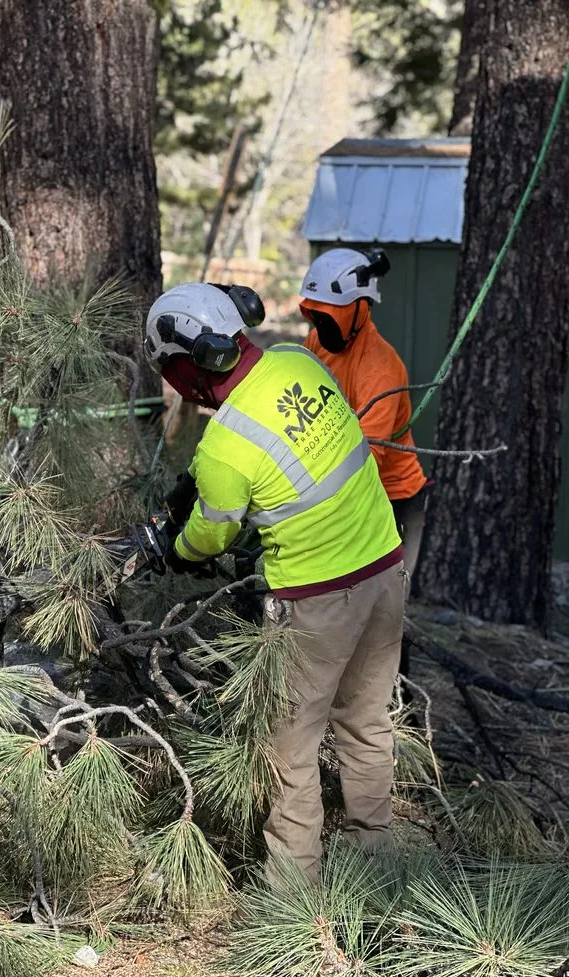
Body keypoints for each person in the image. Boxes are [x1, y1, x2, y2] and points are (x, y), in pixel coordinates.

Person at [144, 281, 406, 878]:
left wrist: (174, 550)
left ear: (190, 369)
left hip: (316, 601)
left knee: (290, 750)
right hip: (386, 568)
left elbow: (209, 537)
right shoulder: (298, 358)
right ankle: (379, 866)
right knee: (366, 723)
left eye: (171, 372)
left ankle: (295, 902)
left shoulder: (225, 447)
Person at [298, 248, 429, 598]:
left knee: (386, 601)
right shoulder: (317, 343)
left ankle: (393, 653)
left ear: (361, 307)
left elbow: (369, 459)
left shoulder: (380, 368)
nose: (321, 325)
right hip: (338, 485)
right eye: (316, 315)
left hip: (391, 496)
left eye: (330, 317)